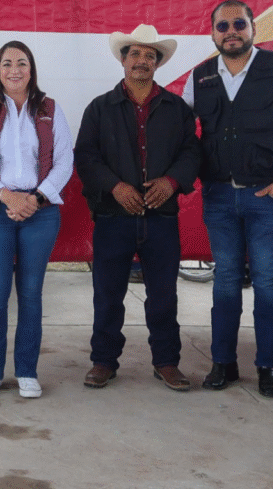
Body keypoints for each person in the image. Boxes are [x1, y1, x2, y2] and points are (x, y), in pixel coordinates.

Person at [182, 0, 273, 398]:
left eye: (238, 23)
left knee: (266, 282)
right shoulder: (199, 76)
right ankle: (223, 363)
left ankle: (268, 367)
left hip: (267, 197)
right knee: (225, 280)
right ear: (212, 33)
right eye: (222, 25)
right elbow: (179, 132)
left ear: (252, 28)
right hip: (219, 196)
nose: (231, 31)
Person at [75, 25, 200, 393]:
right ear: (123, 60)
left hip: (161, 218)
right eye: (135, 54)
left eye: (149, 55)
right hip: (113, 217)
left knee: (163, 295)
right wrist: (115, 187)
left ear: (157, 64)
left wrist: (171, 182)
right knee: (107, 294)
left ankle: (167, 362)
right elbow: (86, 156)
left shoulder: (177, 108)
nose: (142, 60)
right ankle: (103, 361)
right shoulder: (99, 108)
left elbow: (192, 152)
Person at [0, 40, 72, 399]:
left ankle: (27, 371)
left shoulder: (50, 110)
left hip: (40, 213)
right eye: (7, 63)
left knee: (30, 294)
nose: (14, 70)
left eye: (21, 63)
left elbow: (64, 161)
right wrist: (6, 196)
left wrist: (35, 199)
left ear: (31, 69)